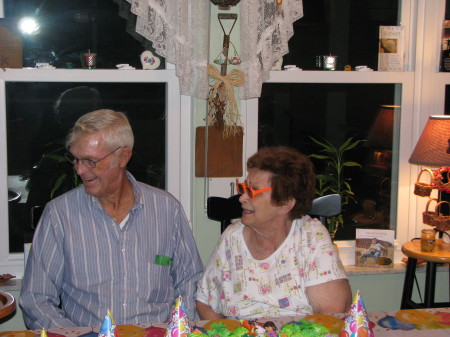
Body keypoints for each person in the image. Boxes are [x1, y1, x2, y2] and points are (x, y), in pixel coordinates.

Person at [20, 109, 203, 329]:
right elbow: (36, 299)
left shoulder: (166, 209)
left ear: (123, 157)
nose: (79, 170)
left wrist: (178, 330)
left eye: (90, 161)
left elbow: (190, 282)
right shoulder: (59, 215)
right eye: (76, 159)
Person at [196, 146, 352, 320]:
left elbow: (332, 313)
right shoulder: (232, 237)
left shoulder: (310, 238)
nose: (241, 198)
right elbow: (205, 301)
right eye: (243, 188)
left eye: (252, 191)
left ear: (285, 203)